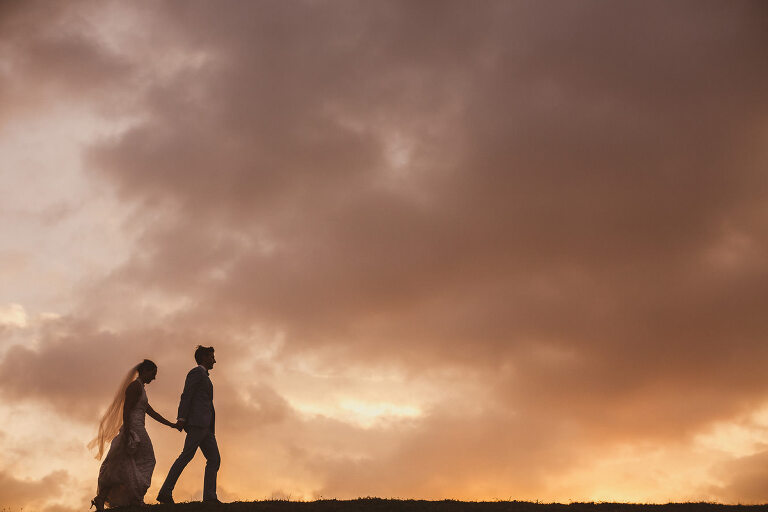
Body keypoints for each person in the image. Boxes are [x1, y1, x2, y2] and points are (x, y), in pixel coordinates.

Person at [89, 359, 181, 510]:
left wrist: (171, 425)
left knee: (121, 464)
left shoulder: (141, 388)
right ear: (145, 371)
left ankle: (104, 498)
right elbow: (126, 410)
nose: (154, 378)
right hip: (134, 429)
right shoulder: (134, 387)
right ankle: (136, 499)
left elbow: (151, 412)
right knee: (148, 460)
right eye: (153, 374)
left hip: (137, 428)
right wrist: (127, 433)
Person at [157, 346, 221, 504]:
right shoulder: (196, 373)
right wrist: (182, 418)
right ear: (204, 357)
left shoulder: (204, 375)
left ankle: (210, 497)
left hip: (206, 426)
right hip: (197, 424)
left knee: (214, 458)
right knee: (186, 456)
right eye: (212, 357)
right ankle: (165, 492)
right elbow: (186, 395)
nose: (214, 360)